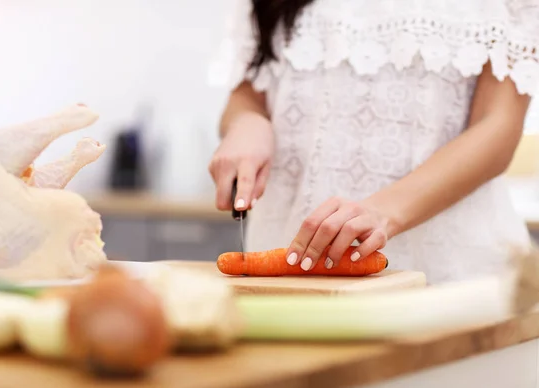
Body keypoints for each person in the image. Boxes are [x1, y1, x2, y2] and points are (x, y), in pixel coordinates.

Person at [206, 0, 539, 284]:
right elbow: (246, 94)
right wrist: (247, 122)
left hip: (453, 279)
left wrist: (381, 212)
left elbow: (497, 126)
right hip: (286, 268)